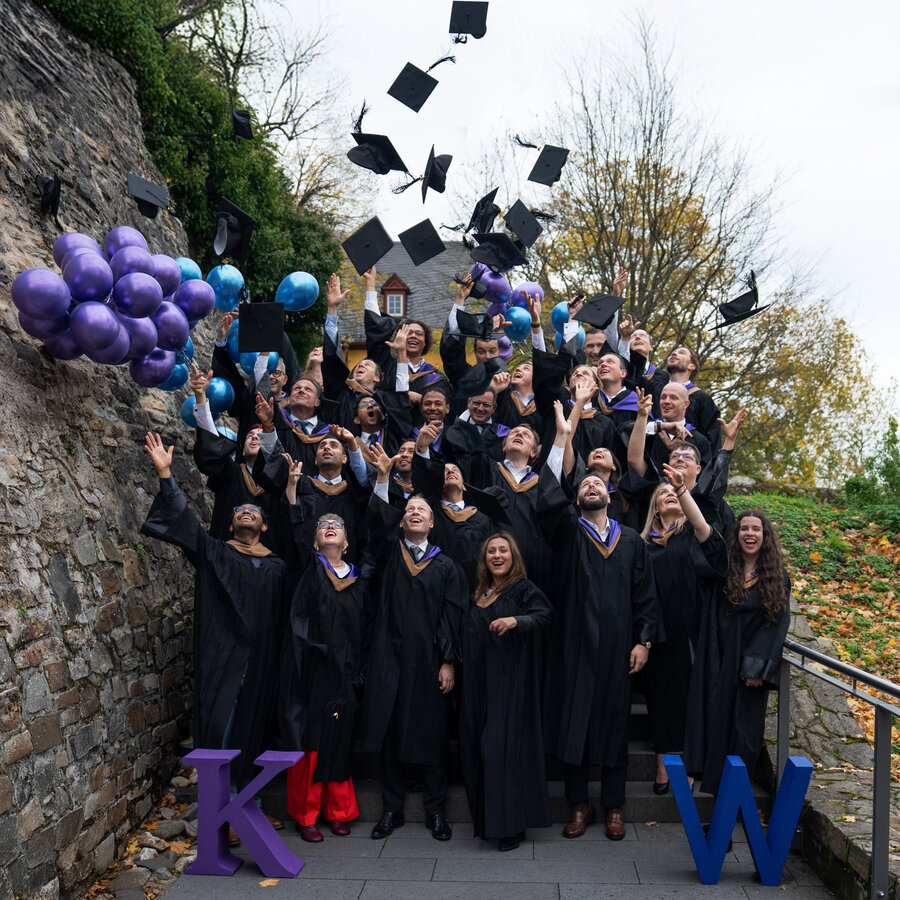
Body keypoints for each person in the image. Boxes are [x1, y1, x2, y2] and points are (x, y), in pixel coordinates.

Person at [140, 432, 286, 843]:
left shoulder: (276, 567)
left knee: (251, 730)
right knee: (220, 728)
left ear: (264, 524)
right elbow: (186, 525)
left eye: (252, 511)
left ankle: (245, 804)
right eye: (238, 510)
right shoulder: (216, 552)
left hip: (260, 661)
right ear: (229, 522)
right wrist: (166, 475)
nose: (245, 513)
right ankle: (222, 811)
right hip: (221, 656)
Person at [538, 423, 660, 842]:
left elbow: (645, 596)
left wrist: (643, 640)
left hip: (615, 649)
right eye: (584, 483)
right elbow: (546, 499)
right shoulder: (567, 533)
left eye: (598, 483)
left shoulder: (630, 542)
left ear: (610, 495)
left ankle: (613, 806)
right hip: (572, 646)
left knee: (613, 725)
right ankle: (578, 803)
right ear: (576, 497)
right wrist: (560, 438)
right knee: (575, 724)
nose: (591, 486)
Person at [359, 444, 468, 842]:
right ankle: (391, 809)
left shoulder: (446, 566)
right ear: (401, 523)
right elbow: (375, 522)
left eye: (421, 510)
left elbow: (452, 616)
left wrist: (448, 661)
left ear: (433, 522)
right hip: (389, 656)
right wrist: (384, 477)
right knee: (389, 732)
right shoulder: (389, 554)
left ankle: (436, 811)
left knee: (434, 733)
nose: (415, 513)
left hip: (428, 660)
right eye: (408, 511)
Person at [280, 462, 368, 843]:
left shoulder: (358, 579)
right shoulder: (309, 567)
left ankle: (339, 810)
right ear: (316, 543)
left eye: (337, 525)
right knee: (311, 741)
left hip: (345, 672)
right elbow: (297, 531)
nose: (329, 526)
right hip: (311, 669)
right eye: (322, 526)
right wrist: (293, 488)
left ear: (346, 542)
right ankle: (306, 812)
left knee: (338, 738)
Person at [685, 510, 792, 795]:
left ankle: (732, 802)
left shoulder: (777, 578)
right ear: (737, 534)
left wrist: (756, 667)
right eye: (744, 528)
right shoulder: (724, 569)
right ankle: (719, 807)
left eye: (756, 529)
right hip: (718, 660)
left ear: (765, 536)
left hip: (749, 672)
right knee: (716, 727)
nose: (749, 533)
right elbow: (703, 535)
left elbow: (776, 624)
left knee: (745, 735)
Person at [459, 533, 553, 851]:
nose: (497, 555)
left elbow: (546, 617)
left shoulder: (522, 588)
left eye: (503, 550)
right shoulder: (478, 593)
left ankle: (512, 827)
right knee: (478, 752)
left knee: (500, 752)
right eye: (491, 551)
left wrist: (517, 619)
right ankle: (489, 825)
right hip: (477, 685)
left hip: (509, 684)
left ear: (513, 556)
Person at [639, 464, 727, 794]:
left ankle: (690, 763)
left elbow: (705, 528)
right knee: (659, 698)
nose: (668, 497)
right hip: (656, 631)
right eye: (662, 495)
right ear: (655, 508)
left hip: (690, 628)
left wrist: (681, 490)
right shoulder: (642, 545)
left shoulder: (690, 536)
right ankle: (663, 764)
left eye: (672, 494)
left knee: (691, 698)